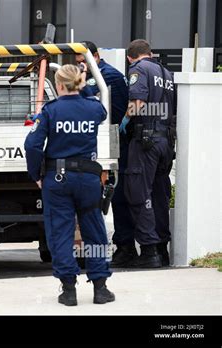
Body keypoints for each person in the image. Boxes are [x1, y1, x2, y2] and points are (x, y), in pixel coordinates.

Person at [25, 64, 115, 306]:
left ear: (59, 85)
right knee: (95, 232)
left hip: (58, 178)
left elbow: (32, 145)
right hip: (88, 179)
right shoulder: (94, 109)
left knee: (61, 233)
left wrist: (36, 174)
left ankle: (68, 290)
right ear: (79, 83)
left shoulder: (49, 111)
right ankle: (101, 288)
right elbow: (102, 111)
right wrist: (83, 86)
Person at [76, 41, 136, 267]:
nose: (82, 66)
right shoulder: (97, 73)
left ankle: (125, 246)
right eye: (79, 63)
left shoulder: (107, 76)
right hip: (101, 142)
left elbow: (86, 98)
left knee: (117, 195)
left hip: (115, 142)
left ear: (96, 55)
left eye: (85, 61)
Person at [119, 39, 176, 268]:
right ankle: (162, 250)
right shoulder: (167, 73)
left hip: (146, 141)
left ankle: (149, 251)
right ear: (149, 53)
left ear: (129, 57)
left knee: (138, 193)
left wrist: (125, 120)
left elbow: (138, 101)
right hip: (165, 141)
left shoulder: (138, 69)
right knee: (160, 196)